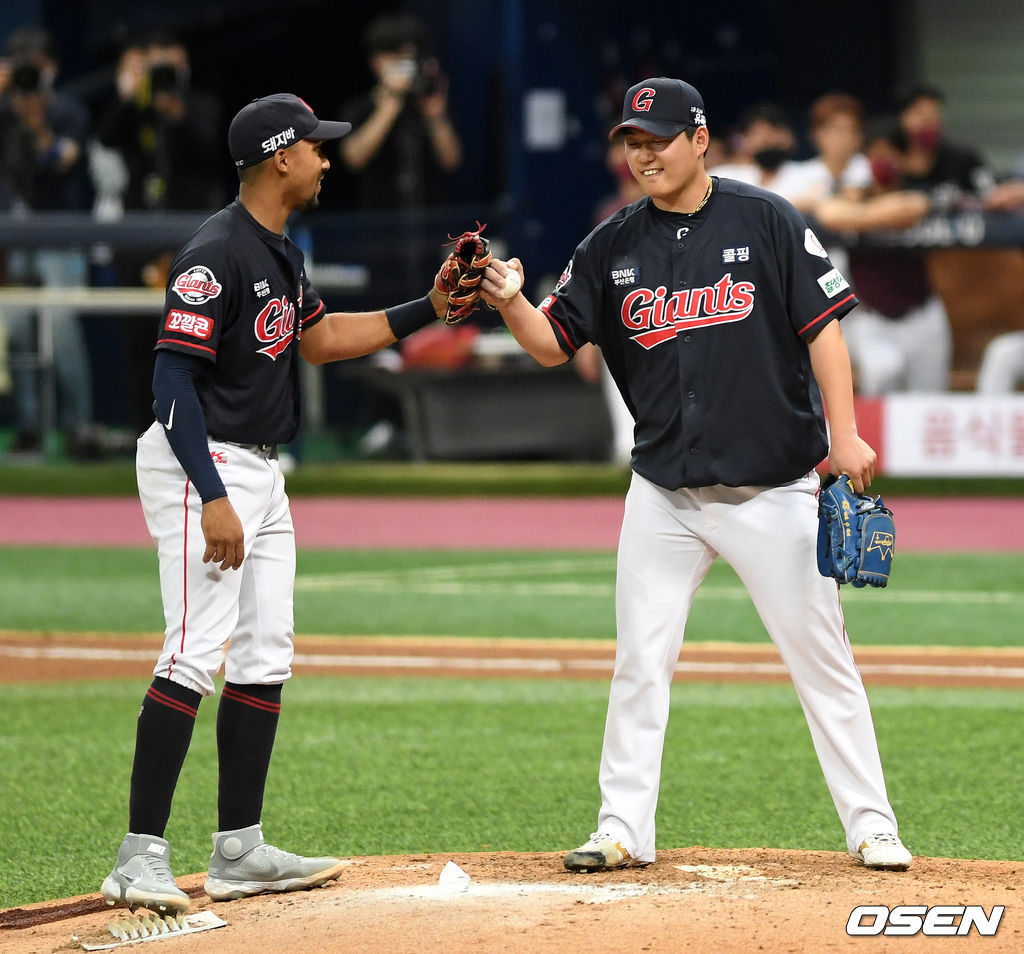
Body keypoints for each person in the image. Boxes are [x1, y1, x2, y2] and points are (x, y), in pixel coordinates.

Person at [478, 77, 912, 874]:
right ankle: (622, 828)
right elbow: (549, 344)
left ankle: (871, 824)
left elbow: (824, 331)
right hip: (664, 496)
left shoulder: (767, 219)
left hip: (773, 490)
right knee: (640, 659)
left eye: (658, 138)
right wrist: (509, 299)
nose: (643, 153)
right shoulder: (610, 245)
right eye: (632, 142)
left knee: (822, 660)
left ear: (700, 138)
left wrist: (844, 436)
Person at [100, 92, 450, 914]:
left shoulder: (280, 251)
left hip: (260, 466)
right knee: (193, 650)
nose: (328, 159)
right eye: (317, 148)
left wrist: (430, 308)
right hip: (205, 462)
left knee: (265, 653)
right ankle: (137, 853)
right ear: (281, 156)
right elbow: (171, 379)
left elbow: (321, 341)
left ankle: (239, 849)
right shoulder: (214, 252)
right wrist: (212, 495)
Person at [0, 27, 97, 457]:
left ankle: (78, 429)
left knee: (61, 333)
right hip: (14, 239)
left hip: (59, 235)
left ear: (51, 70)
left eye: (32, 72)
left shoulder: (68, 111)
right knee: (18, 333)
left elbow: (62, 161)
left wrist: (37, 122)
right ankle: (29, 429)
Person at [813, 123, 948, 395]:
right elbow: (829, 214)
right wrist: (875, 217)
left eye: (890, 153)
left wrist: (861, 217)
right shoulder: (854, 193)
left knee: (931, 398)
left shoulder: (914, 188)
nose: (883, 160)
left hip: (923, 315)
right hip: (874, 319)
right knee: (882, 372)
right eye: (876, 154)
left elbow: (913, 208)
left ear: (903, 157)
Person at [339, 12, 461, 210]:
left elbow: (451, 161)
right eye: (396, 57)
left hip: (430, 221)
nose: (405, 66)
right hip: (377, 224)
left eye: (410, 58)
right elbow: (354, 158)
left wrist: (437, 118)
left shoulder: (427, 104)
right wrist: (391, 104)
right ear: (376, 61)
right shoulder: (360, 107)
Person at [708, 101, 799, 191]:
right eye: (761, 135)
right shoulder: (724, 177)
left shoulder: (806, 174)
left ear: (790, 137)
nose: (769, 140)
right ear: (745, 139)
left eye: (774, 133)